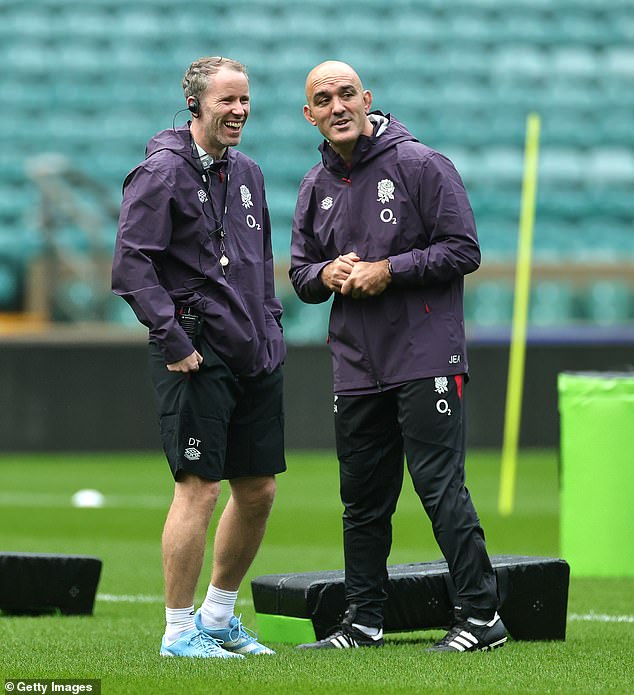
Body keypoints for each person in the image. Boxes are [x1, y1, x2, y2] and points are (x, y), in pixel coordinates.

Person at [289, 61, 506, 653]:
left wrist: (391, 270)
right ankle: (363, 621)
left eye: (346, 94)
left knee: (438, 487)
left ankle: (482, 617)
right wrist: (325, 272)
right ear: (310, 115)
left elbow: (464, 249)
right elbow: (300, 274)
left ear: (367, 99)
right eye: (322, 99)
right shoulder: (315, 185)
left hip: (424, 354)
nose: (336, 106)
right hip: (357, 364)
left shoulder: (421, 164)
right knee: (362, 500)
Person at [112, 56, 286, 659]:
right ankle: (178, 630)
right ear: (196, 105)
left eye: (245, 101)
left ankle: (217, 616)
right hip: (196, 350)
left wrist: (272, 326)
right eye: (226, 102)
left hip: (252, 350)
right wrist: (173, 339)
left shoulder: (250, 174)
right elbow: (131, 265)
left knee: (259, 489)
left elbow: (261, 258)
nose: (239, 112)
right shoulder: (158, 173)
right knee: (200, 489)